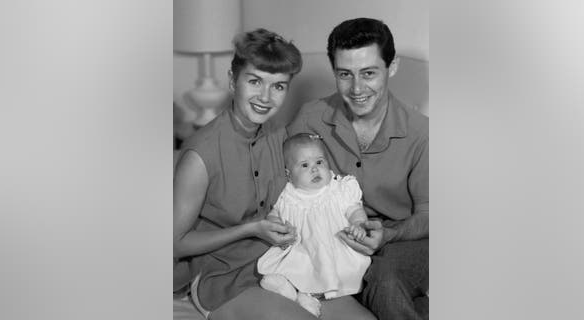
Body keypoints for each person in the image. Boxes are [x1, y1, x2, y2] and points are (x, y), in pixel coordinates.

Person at [173, 28, 375, 320]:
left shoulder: (279, 134)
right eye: (255, 81)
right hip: (223, 276)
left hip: (287, 264)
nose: (265, 97)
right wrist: (250, 229)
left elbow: (312, 185)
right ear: (233, 81)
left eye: (278, 86)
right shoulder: (199, 155)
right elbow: (175, 242)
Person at [287, 18, 429, 320]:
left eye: (368, 73)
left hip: (403, 239)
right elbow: (282, 184)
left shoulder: (421, 133)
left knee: (385, 282)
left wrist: (388, 235)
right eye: (345, 75)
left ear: (392, 67)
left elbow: (430, 216)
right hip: (334, 240)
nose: (357, 88)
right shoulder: (309, 118)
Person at [257, 133, 371, 317]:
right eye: (304, 165)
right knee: (298, 266)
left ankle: (306, 296)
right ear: (289, 174)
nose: (315, 169)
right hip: (303, 248)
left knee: (335, 271)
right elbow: (273, 215)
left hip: (336, 247)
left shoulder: (338, 189)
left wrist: (358, 224)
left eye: (320, 162)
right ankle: (295, 292)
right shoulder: (288, 196)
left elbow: (354, 209)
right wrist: (278, 226)